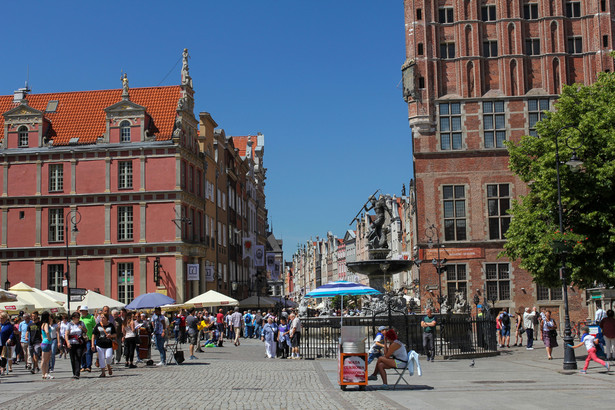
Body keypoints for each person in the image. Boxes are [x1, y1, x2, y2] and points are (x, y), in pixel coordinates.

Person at [92, 313, 116, 378]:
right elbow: (93, 335)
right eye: (101, 317)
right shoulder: (98, 325)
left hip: (108, 344)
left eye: (103, 318)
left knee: (108, 356)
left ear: (107, 319)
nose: (101, 319)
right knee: (101, 358)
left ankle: (108, 365)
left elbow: (115, 334)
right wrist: (92, 344)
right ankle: (103, 372)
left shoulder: (111, 325)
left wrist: (111, 335)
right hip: (99, 344)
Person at [65, 312, 87, 379]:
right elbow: (66, 334)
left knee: (78, 356)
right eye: (77, 317)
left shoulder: (81, 323)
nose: (78, 319)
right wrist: (67, 343)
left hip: (79, 342)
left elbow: (86, 330)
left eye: (79, 317)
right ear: (73, 318)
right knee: (72, 358)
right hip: (72, 342)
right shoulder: (69, 324)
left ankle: (77, 373)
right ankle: (74, 372)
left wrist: (82, 328)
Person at [79, 306, 96, 373]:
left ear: (86, 311)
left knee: (88, 351)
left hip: (88, 337)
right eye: (81, 311)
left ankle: (88, 366)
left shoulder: (91, 317)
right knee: (82, 352)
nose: (82, 312)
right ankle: (83, 366)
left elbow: (94, 326)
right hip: (81, 338)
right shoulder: (80, 318)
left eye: (83, 310)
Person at [39, 311, 54, 380]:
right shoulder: (46, 324)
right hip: (47, 342)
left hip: (44, 342)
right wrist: (49, 338)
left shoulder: (42, 324)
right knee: (46, 359)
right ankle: (45, 373)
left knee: (44, 359)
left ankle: (44, 373)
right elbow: (47, 331)